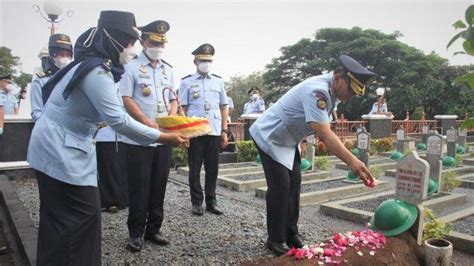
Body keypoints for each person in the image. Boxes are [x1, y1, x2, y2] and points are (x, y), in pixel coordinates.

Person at [27, 11, 188, 265]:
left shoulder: (93, 65)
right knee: (81, 218)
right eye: (129, 41)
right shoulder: (97, 72)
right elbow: (119, 121)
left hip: (58, 148)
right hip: (59, 150)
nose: (131, 48)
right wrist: (164, 137)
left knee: (62, 221)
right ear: (114, 40)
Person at [250, 55, 377, 256]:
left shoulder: (332, 92)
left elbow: (301, 116)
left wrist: (298, 140)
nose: (352, 95)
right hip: (269, 136)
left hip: (288, 140)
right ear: (337, 78)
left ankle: (291, 234)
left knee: (295, 184)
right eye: (351, 90)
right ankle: (275, 239)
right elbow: (324, 133)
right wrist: (353, 161)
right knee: (281, 186)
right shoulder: (318, 92)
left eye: (356, 92)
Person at [119, 20, 178, 252]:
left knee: (158, 186)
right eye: (154, 42)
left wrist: (170, 121)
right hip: (139, 139)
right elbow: (126, 99)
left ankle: (154, 229)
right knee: (139, 187)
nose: (158, 47)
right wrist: (147, 124)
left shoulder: (168, 69)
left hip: (164, 139)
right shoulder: (130, 67)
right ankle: (135, 233)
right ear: (143, 41)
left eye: (161, 43)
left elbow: (174, 99)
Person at [179, 43, 228, 216]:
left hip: (214, 130)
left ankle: (211, 201)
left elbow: (223, 106)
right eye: (202, 60)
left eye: (208, 60)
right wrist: (184, 133)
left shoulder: (218, 80)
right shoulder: (186, 82)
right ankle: (196, 202)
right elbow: (183, 109)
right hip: (195, 131)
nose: (205, 63)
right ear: (195, 61)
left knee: (213, 169)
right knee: (195, 168)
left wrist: (224, 130)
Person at [30, 34, 73, 121]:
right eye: (61, 54)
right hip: (50, 129)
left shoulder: (72, 77)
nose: (66, 58)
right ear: (52, 55)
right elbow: (37, 112)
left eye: (68, 55)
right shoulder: (40, 80)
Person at [96, 123, 129, 213]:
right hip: (101, 135)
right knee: (105, 170)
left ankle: (116, 200)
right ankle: (106, 201)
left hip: (114, 136)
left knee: (114, 170)